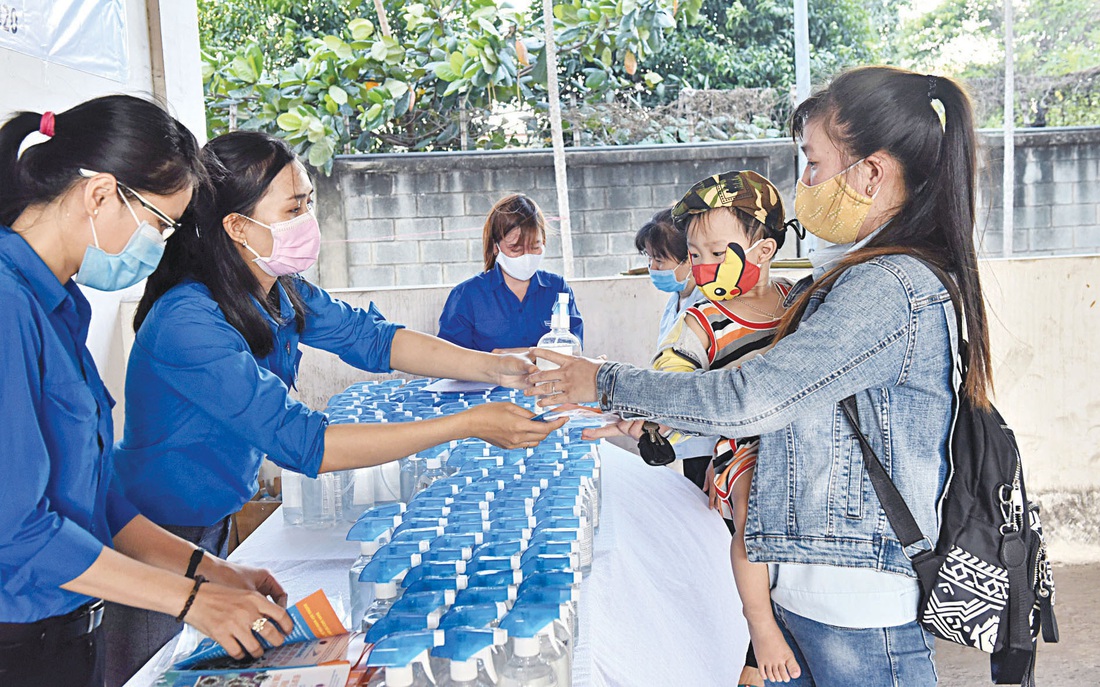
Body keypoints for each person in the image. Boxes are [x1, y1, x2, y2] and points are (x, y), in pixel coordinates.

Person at [529, 65, 992, 686]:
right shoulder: (850, 279)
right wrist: (649, 410)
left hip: (854, 602)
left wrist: (605, 381)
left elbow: (754, 397)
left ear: (872, 172)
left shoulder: (888, 288)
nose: (805, 184)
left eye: (814, 163)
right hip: (812, 581)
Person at [107, 131, 566, 685]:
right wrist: (465, 424)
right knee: (149, 671)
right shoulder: (189, 321)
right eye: (294, 207)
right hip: (152, 535)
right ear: (237, 225)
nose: (308, 219)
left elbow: (374, 339)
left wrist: (498, 367)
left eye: (309, 204)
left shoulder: (279, 289)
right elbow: (305, 442)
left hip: (216, 520)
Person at [0, 96, 292, 687]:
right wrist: (191, 602)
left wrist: (209, 571)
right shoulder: (8, 307)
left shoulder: (60, 306)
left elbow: (102, 501)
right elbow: (17, 534)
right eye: (159, 223)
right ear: (101, 194)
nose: (160, 243)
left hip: (70, 633)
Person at [653, 171, 796, 685]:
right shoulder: (700, 321)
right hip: (744, 447)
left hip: (805, 442)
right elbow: (670, 374)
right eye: (694, 254)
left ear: (762, 251)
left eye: (717, 251)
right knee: (751, 500)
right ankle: (760, 628)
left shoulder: (799, 303)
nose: (703, 265)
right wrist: (651, 421)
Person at [437, 194, 583, 353]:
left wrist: (505, 354)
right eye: (516, 248)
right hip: (485, 379)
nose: (527, 256)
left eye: (535, 247)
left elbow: (573, 351)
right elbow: (449, 359)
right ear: (495, 247)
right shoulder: (467, 296)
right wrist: (500, 362)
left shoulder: (557, 289)